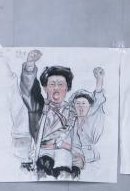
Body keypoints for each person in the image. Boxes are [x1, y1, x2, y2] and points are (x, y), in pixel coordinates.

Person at [18, 50, 82, 178]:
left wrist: (78, 158)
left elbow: (76, 140)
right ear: (45, 88)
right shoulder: (38, 107)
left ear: (67, 88)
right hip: (41, 155)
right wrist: (30, 65)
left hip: (64, 157)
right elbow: (29, 91)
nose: (56, 88)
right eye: (52, 84)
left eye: (61, 84)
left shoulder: (72, 113)